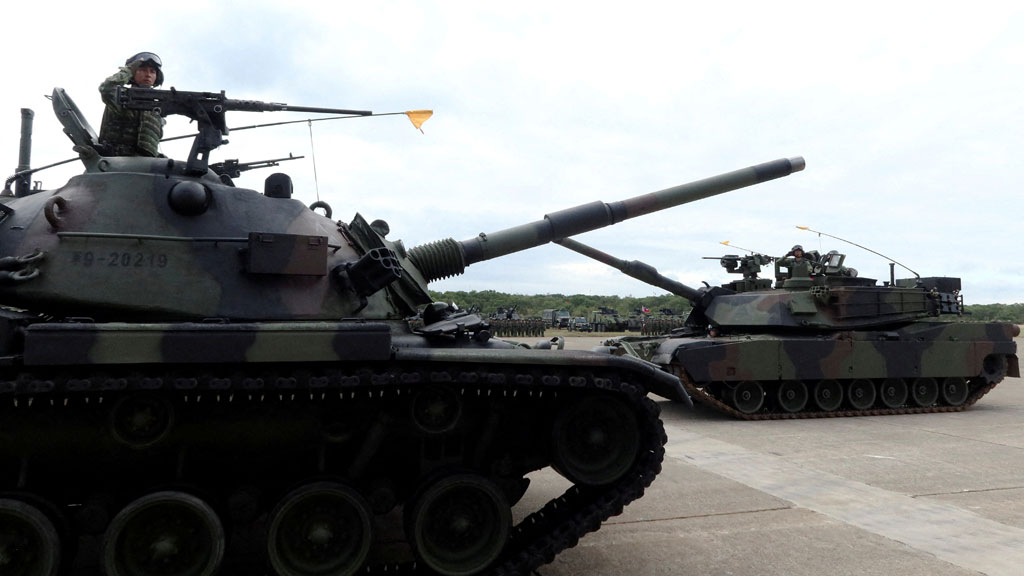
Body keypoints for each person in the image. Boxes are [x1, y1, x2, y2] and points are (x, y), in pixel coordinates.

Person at [98, 52, 165, 157]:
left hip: (143, 161)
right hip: (116, 159)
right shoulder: (122, 97)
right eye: (143, 70)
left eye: (152, 71)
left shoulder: (154, 108)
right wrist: (129, 70)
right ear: (133, 74)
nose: (148, 75)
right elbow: (106, 88)